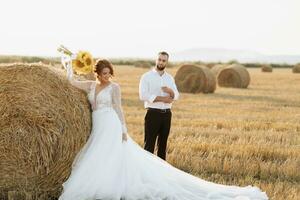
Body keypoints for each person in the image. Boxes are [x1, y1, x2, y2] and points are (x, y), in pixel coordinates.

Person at [58, 59, 268, 200]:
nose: (106, 76)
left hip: (111, 123)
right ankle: (99, 181)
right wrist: (67, 63)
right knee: (97, 153)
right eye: (103, 73)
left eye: (108, 73)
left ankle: (107, 185)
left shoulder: (115, 87)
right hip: (98, 123)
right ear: (97, 73)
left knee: (111, 154)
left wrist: (123, 128)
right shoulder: (91, 86)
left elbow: (118, 108)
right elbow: (70, 81)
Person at [139, 51, 179, 160]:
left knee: (163, 146)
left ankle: (162, 172)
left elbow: (176, 96)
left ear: (167, 62)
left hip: (167, 115)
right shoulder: (146, 77)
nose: (161, 62)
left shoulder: (169, 78)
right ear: (156, 60)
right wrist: (163, 99)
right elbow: (143, 95)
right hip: (153, 113)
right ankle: (147, 170)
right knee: (149, 145)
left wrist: (170, 91)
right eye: (159, 60)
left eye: (163, 60)